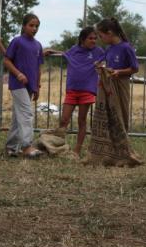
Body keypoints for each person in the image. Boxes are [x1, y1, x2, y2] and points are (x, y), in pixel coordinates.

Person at [85, 18, 141, 167]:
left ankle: (122, 154)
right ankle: (107, 154)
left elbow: (135, 68)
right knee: (107, 116)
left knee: (120, 116)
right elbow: (102, 62)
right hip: (107, 86)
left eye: (101, 36)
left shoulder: (126, 48)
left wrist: (119, 72)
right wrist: (98, 65)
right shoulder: (109, 49)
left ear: (109, 33)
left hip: (121, 85)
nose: (100, 40)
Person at [44, 27, 105, 156]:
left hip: (87, 91)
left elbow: (107, 57)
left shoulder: (98, 51)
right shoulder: (74, 50)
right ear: (83, 39)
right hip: (72, 90)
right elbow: (64, 53)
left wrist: (102, 66)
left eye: (95, 38)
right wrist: (51, 51)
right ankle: (58, 146)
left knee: (82, 120)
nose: (93, 41)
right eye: (90, 38)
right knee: (64, 120)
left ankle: (77, 149)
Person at [3, 14, 44, 158]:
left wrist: (37, 86)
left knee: (18, 116)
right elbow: (7, 61)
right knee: (27, 114)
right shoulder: (17, 42)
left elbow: (38, 68)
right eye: (31, 25)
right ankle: (27, 146)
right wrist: (18, 74)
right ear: (24, 26)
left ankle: (11, 147)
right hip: (17, 84)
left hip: (30, 85)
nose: (34, 28)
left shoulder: (38, 45)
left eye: (36, 26)